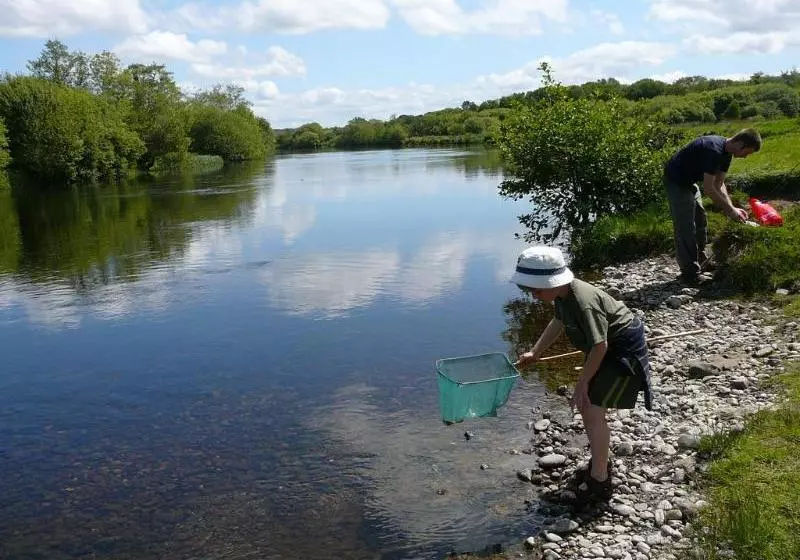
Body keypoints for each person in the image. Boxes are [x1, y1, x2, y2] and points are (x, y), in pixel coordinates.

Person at [511, 246, 652, 501]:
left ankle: (600, 479)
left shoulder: (583, 302)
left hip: (621, 350)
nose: (533, 295)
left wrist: (582, 383)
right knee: (590, 409)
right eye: (529, 289)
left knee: (591, 407)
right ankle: (600, 464)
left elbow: (601, 346)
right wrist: (536, 352)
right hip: (602, 346)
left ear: (554, 282)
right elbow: (559, 321)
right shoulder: (562, 296)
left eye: (536, 289)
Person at [663, 128, 762, 285]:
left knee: (700, 219)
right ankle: (690, 273)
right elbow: (709, 189)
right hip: (676, 181)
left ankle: (701, 260)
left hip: (690, 181)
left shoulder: (727, 154)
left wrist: (732, 208)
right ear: (741, 144)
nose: (745, 157)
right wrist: (729, 211)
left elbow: (719, 184)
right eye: (747, 152)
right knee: (686, 226)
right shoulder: (712, 149)